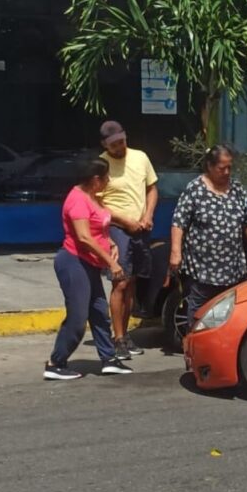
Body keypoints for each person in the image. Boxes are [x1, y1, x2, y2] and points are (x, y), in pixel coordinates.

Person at [43, 158, 133, 380]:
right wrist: (112, 263)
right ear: (95, 179)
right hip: (74, 263)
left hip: (90, 264)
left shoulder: (93, 197)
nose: (108, 180)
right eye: (106, 177)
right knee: (78, 317)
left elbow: (99, 227)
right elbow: (83, 237)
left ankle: (109, 359)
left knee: (100, 313)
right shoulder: (77, 201)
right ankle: (56, 362)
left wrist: (110, 242)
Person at [169, 144, 247, 331]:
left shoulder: (236, 189)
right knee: (199, 315)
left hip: (232, 269)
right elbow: (179, 222)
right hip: (203, 270)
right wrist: (175, 252)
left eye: (230, 167)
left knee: (231, 315)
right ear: (210, 166)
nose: (227, 172)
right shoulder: (195, 189)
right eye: (222, 168)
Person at [99, 120, 159, 359]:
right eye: (114, 144)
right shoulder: (101, 164)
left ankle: (126, 334)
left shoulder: (140, 157)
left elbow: (152, 188)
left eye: (122, 141)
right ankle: (118, 338)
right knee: (120, 282)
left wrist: (148, 215)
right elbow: (98, 203)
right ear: (105, 144)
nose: (120, 146)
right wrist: (125, 221)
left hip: (141, 228)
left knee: (133, 281)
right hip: (117, 229)